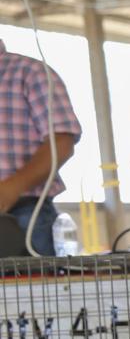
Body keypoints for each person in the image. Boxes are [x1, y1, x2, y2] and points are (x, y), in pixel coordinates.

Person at [0, 39, 82, 256]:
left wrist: (12, 188)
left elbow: (62, 141)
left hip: (24, 215)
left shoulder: (29, 73)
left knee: (33, 289)